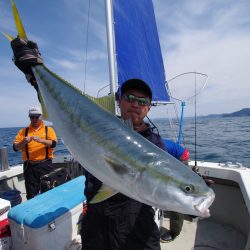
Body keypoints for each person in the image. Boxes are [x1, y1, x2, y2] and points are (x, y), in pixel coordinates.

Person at [10, 38, 189, 249]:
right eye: (130, 98)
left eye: (143, 102)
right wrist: (35, 74)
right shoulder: (97, 124)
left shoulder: (154, 143)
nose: (136, 105)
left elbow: (164, 176)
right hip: (96, 219)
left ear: (149, 108)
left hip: (136, 224)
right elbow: (66, 108)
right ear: (119, 100)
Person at [13, 106, 57, 199]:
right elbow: (15, 148)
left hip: (45, 165)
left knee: (49, 192)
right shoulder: (23, 132)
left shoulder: (48, 130)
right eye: (32, 117)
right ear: (29, 117)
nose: (34, 119)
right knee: (31, 194)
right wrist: (23, 142)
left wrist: (41, 140)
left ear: (41, 117)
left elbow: (53, 144)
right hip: (29, 167)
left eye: (37, 116)